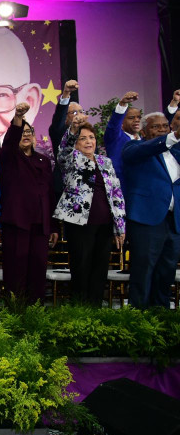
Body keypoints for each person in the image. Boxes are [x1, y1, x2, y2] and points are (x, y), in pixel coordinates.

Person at [53, 114, 126, 306]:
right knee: (81, 267)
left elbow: (116, 195)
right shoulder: (71, 160)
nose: (88, 141)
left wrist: (120, 227)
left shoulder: (105, 162)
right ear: (77, 143)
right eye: (83, 138)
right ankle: (79, 310)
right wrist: (73, 130)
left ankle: (95, 310)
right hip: (79, 223)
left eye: (91, 137)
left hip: (105, 224)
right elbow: (63, 150)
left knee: (100, 268)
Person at [0, 102, 58, 304]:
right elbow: (9, 142)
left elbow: (49, 193)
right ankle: (15, 313)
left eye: (29, 131)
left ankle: (35, 314)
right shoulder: (9, 158)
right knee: (16, 270)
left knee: (38, 269)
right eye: (22, 131)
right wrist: (17, 119)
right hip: (17, 223)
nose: (25, 135)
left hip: (40, 225)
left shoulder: (43, 161)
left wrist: (54, 225)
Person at [121, 111, 180, 308]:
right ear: (144, 131)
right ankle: (139, 321)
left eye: (165, 126)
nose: (162, 129)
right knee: (143, 271)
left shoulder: (176, 152)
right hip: (147, 220)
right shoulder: (135, 147)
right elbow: (142, 150)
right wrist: (172, 137)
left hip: (173, 221)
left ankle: (161, 319)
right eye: (156, 127)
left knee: (166, 272)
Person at [49, 80, 82, 198]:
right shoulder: (59, 132)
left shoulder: (88, 135)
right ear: (65, 117)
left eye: (81, 111)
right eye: (73, 112)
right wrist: (66, 94)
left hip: (86, 188)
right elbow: (58, 119)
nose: (78, 114)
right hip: (64, 189)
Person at [104, 91, 142, 181]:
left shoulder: (145, 140)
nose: (137, 120)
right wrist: (123, 104)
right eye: (131, 118)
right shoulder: (115, 137)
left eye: (139, 117)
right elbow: (114, 124)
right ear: (121, 123)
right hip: (123, 188)